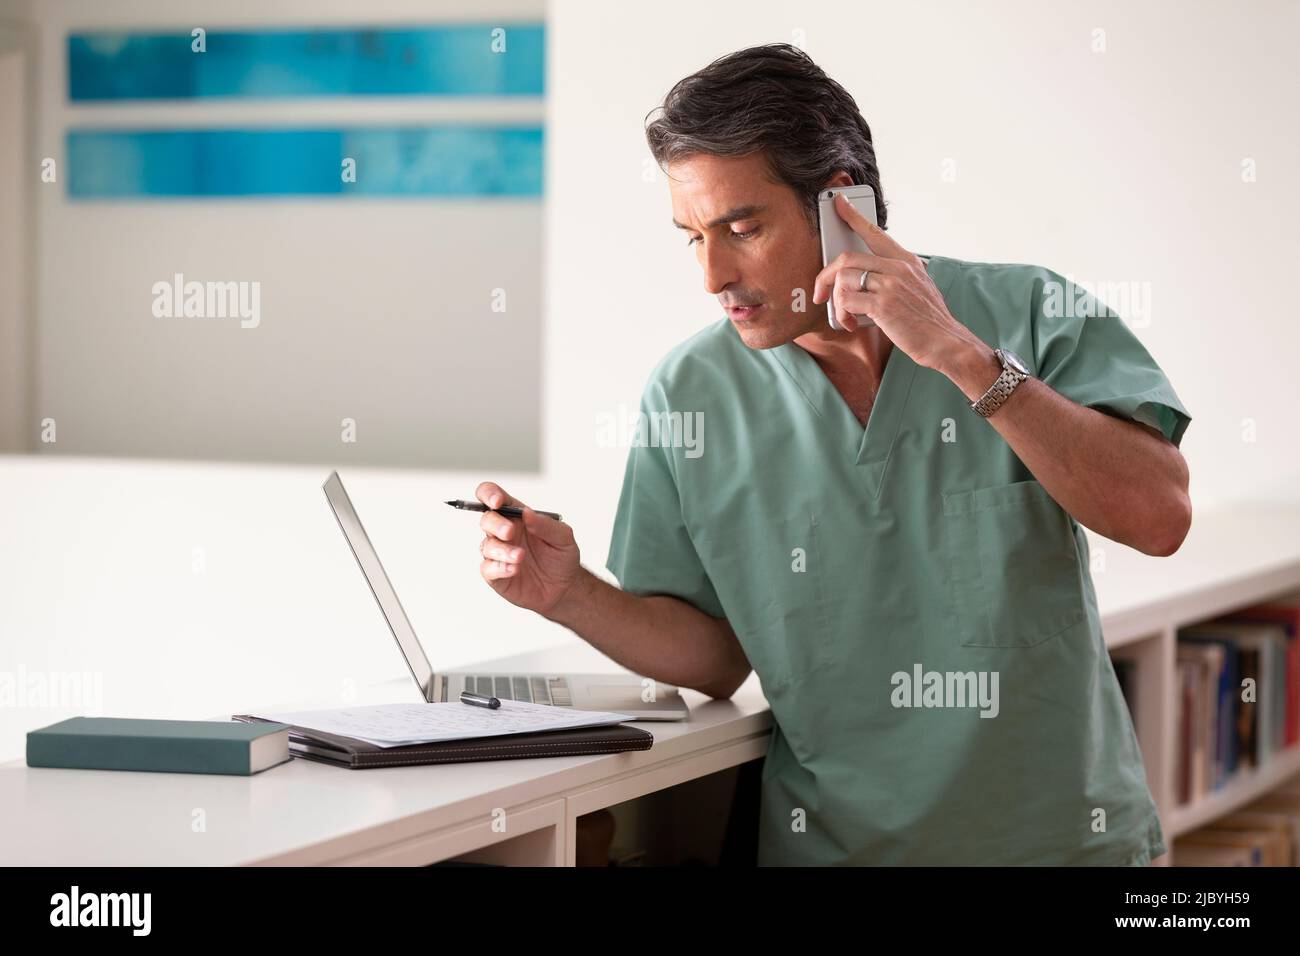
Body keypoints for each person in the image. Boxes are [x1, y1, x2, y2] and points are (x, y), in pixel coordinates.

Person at [470, 44, 1192, 865]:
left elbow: (1160, 516)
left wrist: (962, 358)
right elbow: (711, 659)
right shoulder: (690, 394)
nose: (712, 273)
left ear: (843, 202)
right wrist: (568, 595)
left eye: (741, 228)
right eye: (692, 236)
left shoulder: (1027, 310)